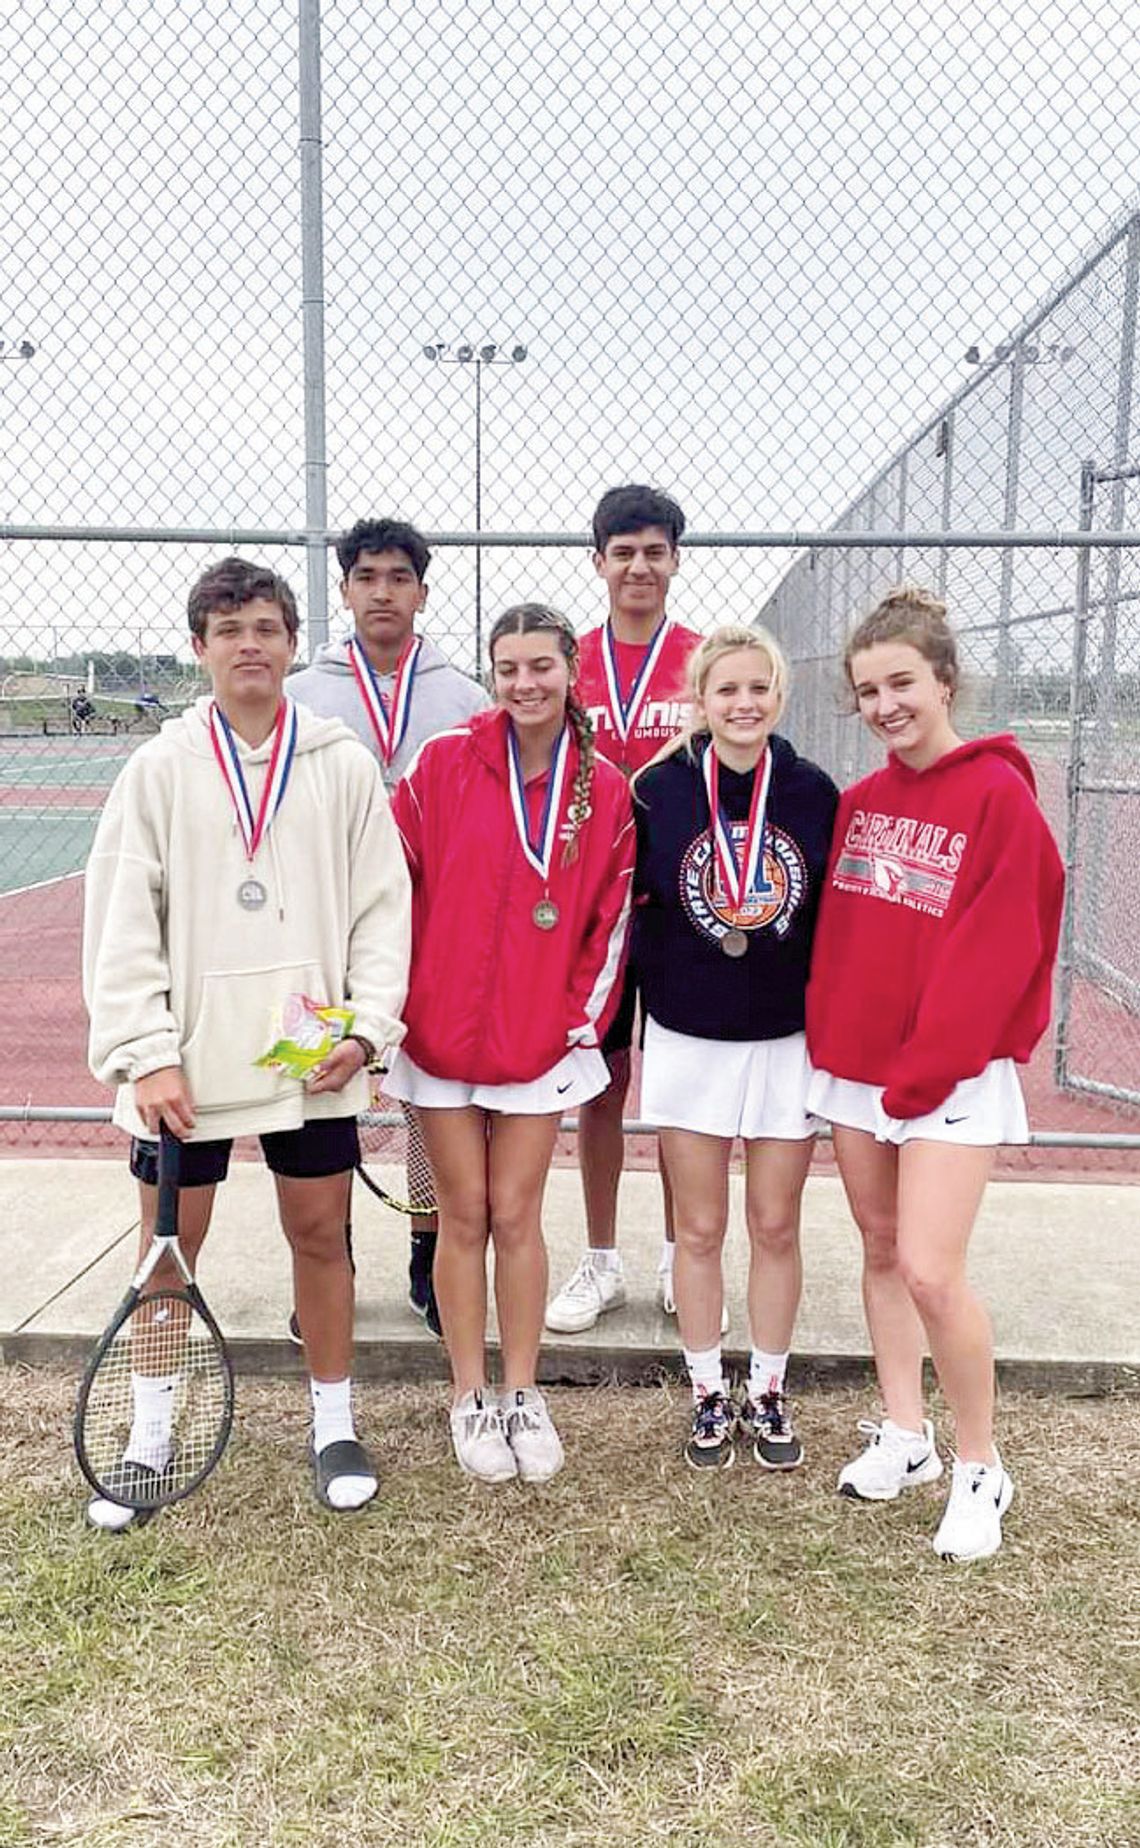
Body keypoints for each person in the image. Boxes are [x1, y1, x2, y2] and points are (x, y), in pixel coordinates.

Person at [82, 557, 411, 1528]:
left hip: (311, 1057)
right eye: (229, 632)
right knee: (169, 1251)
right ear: (200, 651)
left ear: (292, 641)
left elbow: (383, 915)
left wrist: (365, 1029)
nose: (250, 646)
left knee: (322, 1236)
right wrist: (146, 1050)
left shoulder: (343, 762)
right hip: (186, 1064)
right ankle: (151, 1433)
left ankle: (334, 1422)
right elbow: (122, 921)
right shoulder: (158, 767)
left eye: (266, 627)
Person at [805, 585, 1064, 1561]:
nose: (885, 705)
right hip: (861, 1076)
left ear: (944, 679)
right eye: (868, 690)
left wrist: (926, 1068)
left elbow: (1002, 951)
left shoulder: (998, 795)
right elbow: (847, 940)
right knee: (879, 1250)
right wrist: (837, 1043)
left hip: (947, 1077)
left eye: (901, 682)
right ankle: (906, 1435)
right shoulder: (864, 803)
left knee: (930, 1267)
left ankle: (980, 1465)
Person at [386, 603, 635, 1483]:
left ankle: (523, 1392)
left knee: (517, 1215)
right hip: (439, 1034)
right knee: (462, 1216)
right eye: (508, 668)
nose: (525, 684)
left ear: (572, 671)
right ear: (492, 675)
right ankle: (468, 1396)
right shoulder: (443, 763)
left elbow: (610, 922)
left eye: (541, 666)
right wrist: (392, 1006)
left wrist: (576, 1025)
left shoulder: (604, 789)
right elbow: (392, 882)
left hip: (537, 1043)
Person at [633, 625, 838, 1469]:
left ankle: (770, 1387)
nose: (743, 704)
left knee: (777, 1222)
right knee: (702, 1228)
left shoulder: (814, 791)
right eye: (726, 691)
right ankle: (708, 1390)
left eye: (758, 689)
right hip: (688, 1034)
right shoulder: (658, 790)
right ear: (701, 699)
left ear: (778, 697)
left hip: (786, 1039)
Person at [288, 518, 489, 1339]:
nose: (381, 590)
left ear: (421, 592)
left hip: (429, 925)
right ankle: (323, 1261)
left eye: (398, 576)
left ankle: (426, 1260)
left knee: (424, 1100)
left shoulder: (462, 696)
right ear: (343, 591)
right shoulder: (305, 693)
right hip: (323, 929)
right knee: (317, 1092)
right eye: (366, 575)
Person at [545, 484, 702, 1336]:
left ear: (675, 560)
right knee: (597, 1088)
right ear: (598, 561)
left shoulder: (703, 657)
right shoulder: (568, 662)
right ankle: (602, 1260)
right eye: (623, 551)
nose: (638, 566)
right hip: (592, 911)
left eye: (654, 550)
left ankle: (685, 1254)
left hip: (683, 914)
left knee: (676, 1091)